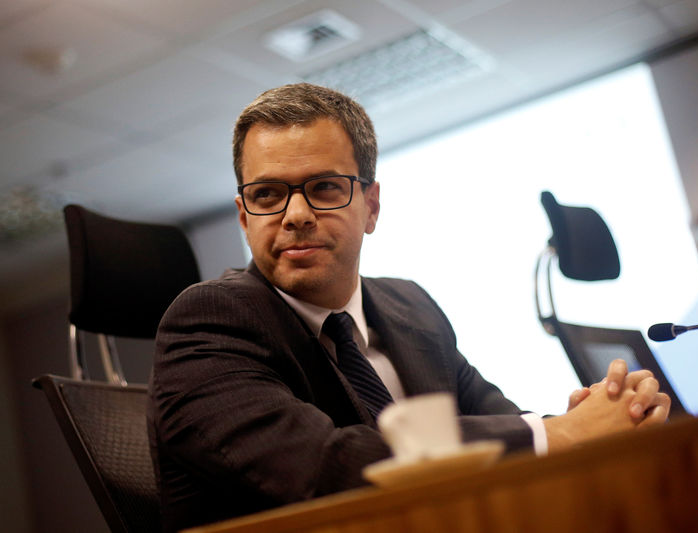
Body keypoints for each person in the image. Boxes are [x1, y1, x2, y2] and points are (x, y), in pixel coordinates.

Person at [148, 83, 670, 532]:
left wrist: (602, 422)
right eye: (267, 195)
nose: (297, 215)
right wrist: (559, 434)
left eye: (325, 188)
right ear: (243, 217)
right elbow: (331, 468)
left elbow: (502, 423)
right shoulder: (209, 323)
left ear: (371, 205)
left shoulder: (410, 306)